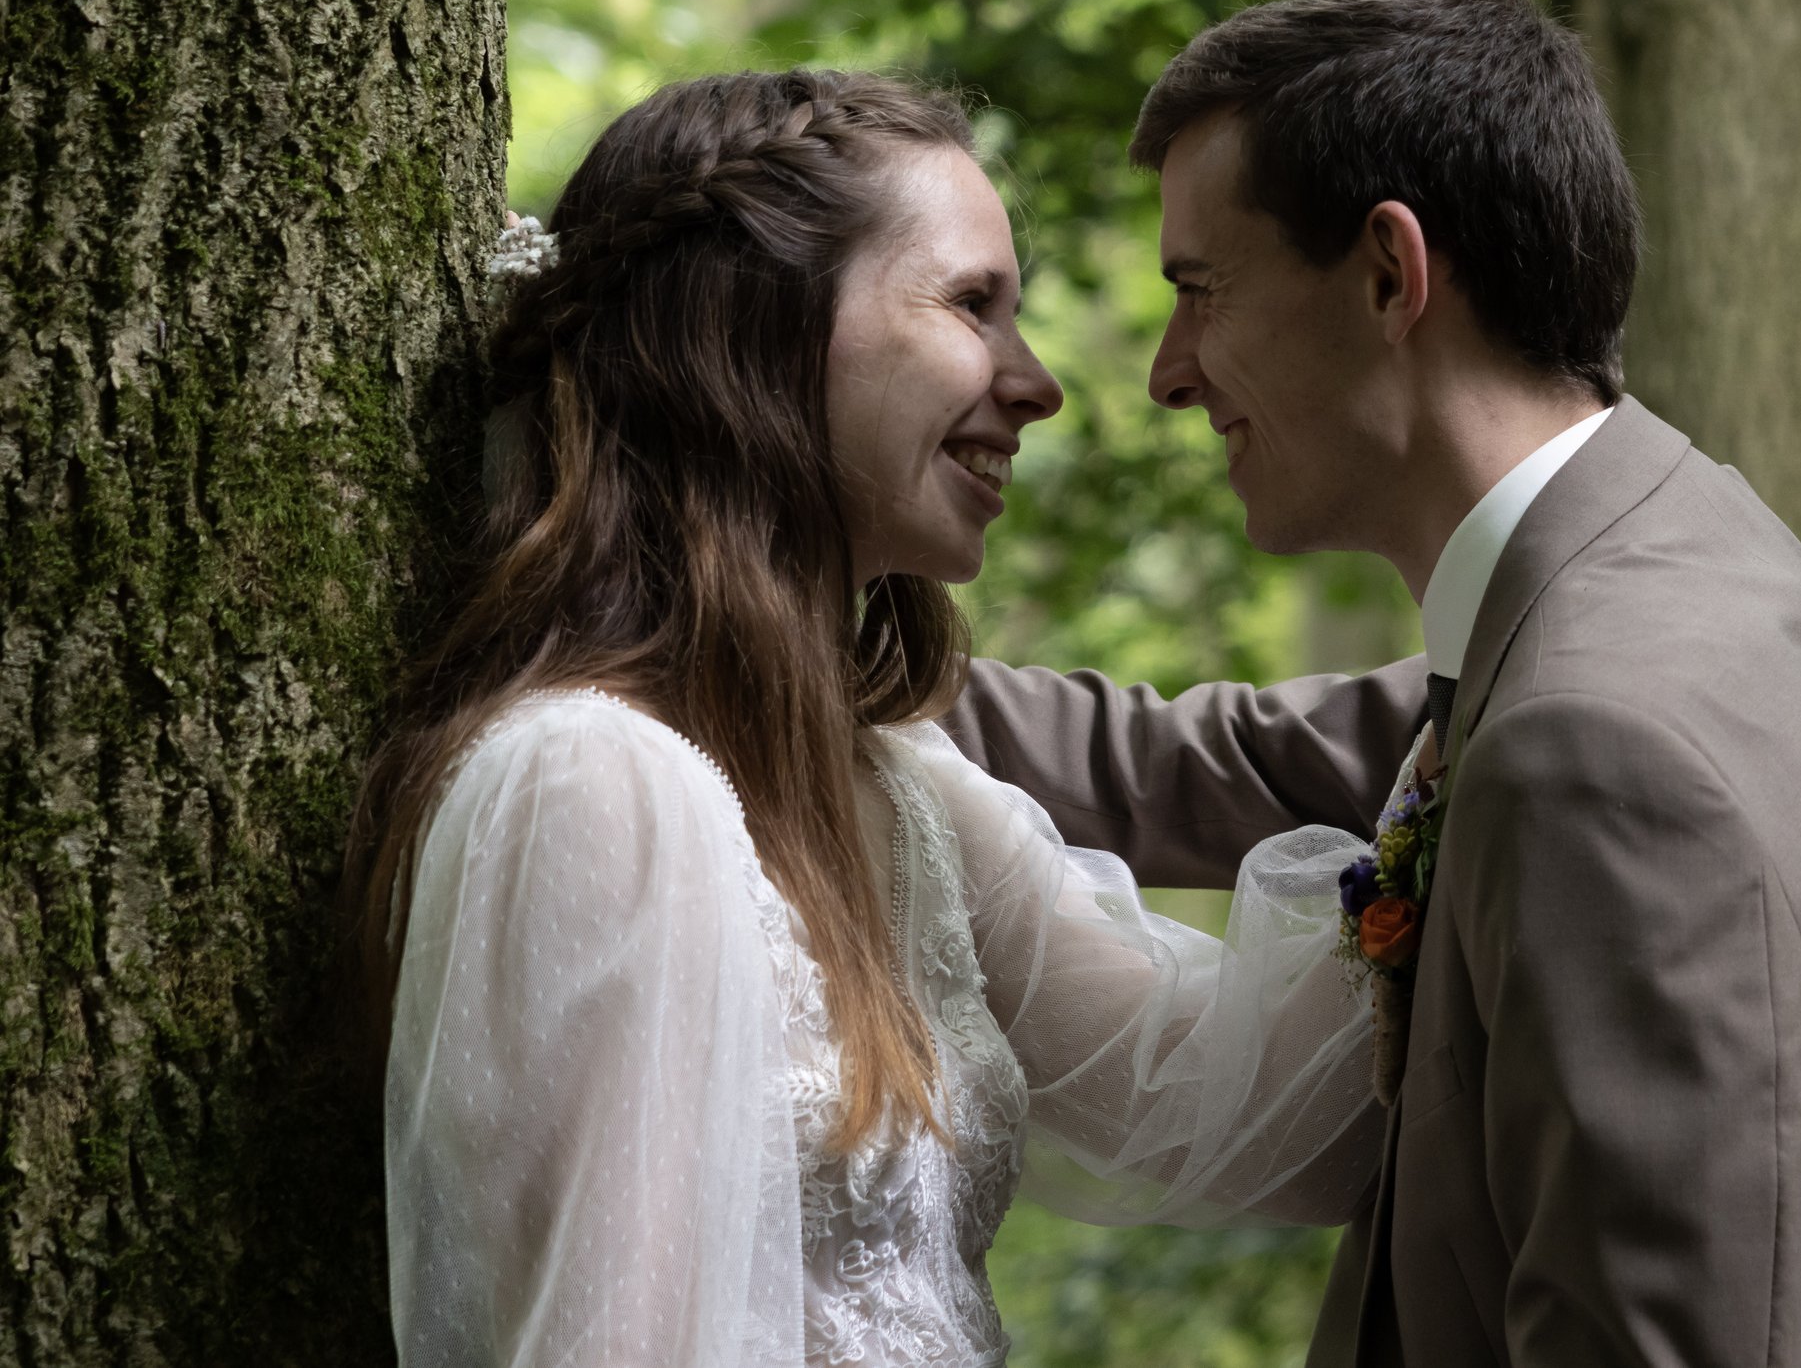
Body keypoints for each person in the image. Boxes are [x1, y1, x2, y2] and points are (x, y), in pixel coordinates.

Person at [942, 0, 1801, 1366]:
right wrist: (780, 636)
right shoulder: (1655, 558)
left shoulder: (1602, 745)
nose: (1169, 371)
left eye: (1202, 290)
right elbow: (1205, 765)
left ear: (1391, 275)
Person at [340, 69, 1387, 1368]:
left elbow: (1261, 1114)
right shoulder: (590, 787)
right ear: (759, 332)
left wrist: (1489, 696)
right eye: (971, 307)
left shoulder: (895, 789)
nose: (1040, 384)